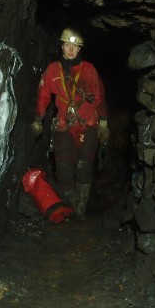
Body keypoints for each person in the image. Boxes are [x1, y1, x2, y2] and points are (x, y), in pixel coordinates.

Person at [32, 27, 109, 219]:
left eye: (75, 46)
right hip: (64, 126)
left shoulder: (89, 70)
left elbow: (99, 96)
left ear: (80, 49)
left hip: (88, 124)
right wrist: (37, 119)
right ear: (62, 47)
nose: (71, 50)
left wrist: (104, 123)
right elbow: (43, 96)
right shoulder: (52, 70)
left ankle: (81, 209)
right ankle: (72, 206)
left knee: (84, 166)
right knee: (64, 170)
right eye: (67, 45)